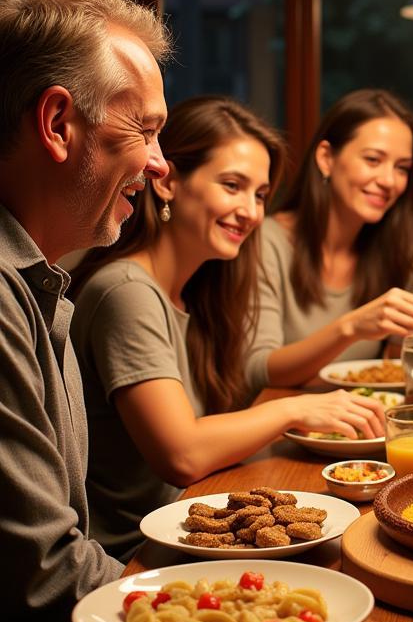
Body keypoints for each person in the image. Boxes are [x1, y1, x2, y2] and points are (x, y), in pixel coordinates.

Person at [70, 96, 385, 558]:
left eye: (259, 195)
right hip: (135, 555)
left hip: (195, 524)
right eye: (232, 185)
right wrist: (293, 411)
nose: (251, 212)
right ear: (170, 181)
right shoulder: (126, 291)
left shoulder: (198, 293)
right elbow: (182, 455)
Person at [0, 0, 169, 622]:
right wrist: (234, 597)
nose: (162, 165)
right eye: (145, 130)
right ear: (59, 123)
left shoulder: (43, 280)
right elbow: (42, 577)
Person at [245, 89, 413, 394]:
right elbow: (259, 370)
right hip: (282, 428)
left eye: (402, 168)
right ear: (326, 158)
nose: (389, 180)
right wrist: (350, 328)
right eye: (373, 160)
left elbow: (401, 361)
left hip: (366, 428)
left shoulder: (404, 246)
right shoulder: (267, 243)